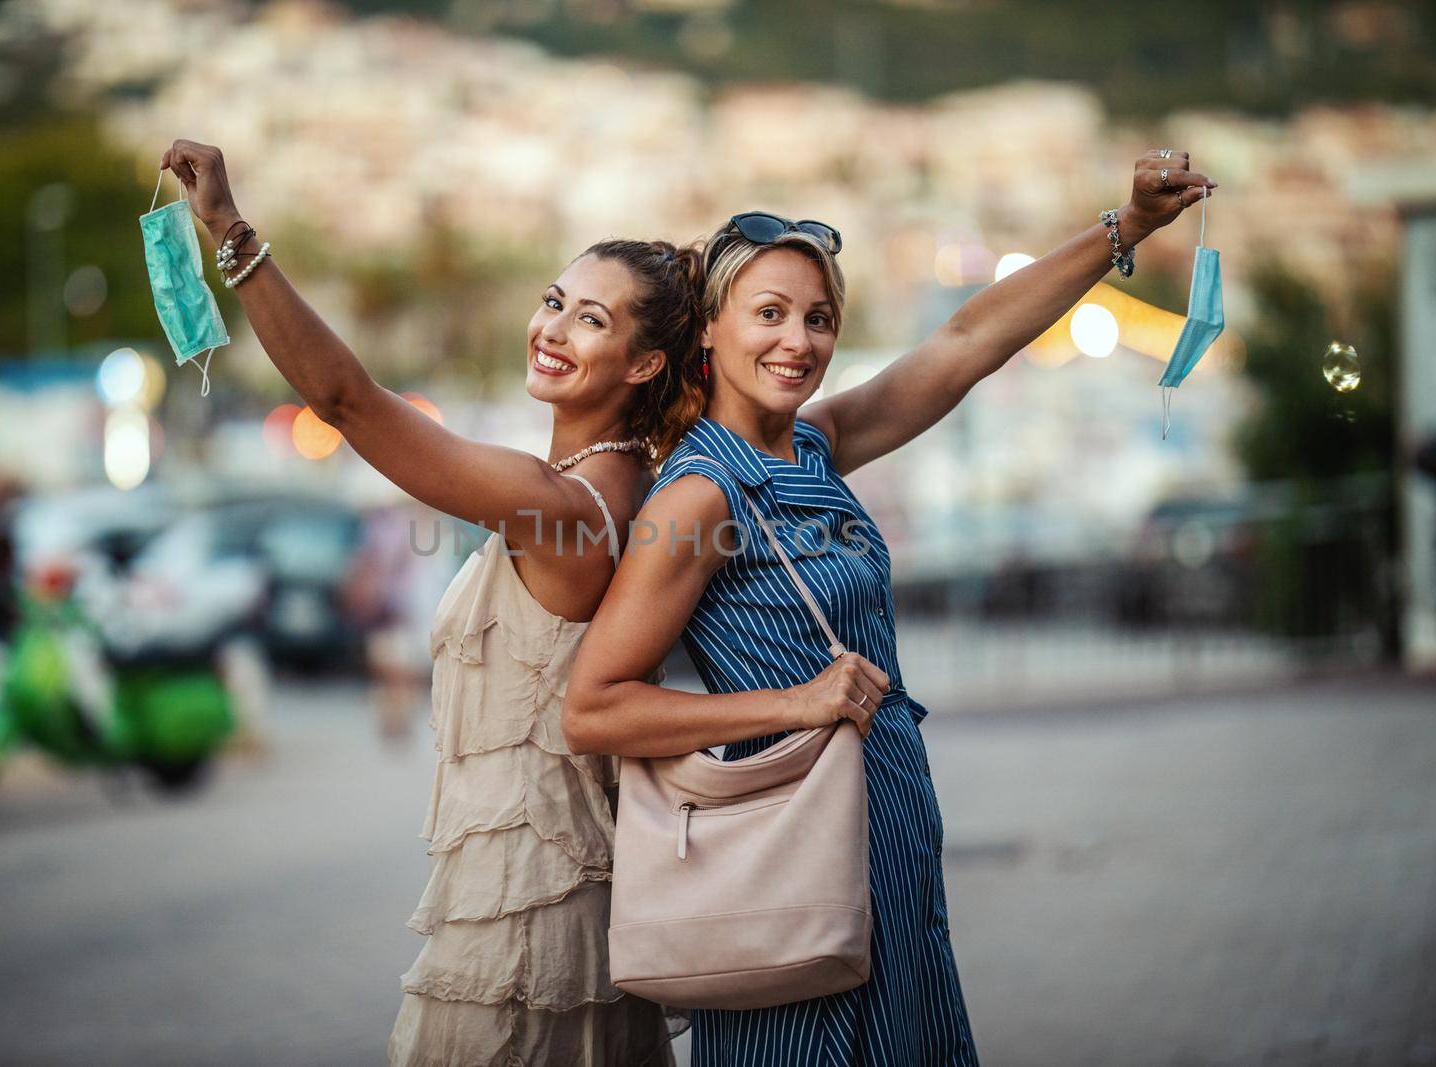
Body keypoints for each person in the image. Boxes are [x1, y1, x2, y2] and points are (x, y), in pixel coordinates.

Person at [563, 151, 1219, 1064]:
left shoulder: (814, 446)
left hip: (885, 842)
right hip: (794, 859)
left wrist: (1129, 226)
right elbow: (594, 706)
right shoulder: (700, 497)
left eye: (819, 318)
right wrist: (796, 702)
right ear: (707, 331)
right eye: (770, 314)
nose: (799, 341)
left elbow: (965, 344)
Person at [158, 139, 699, 1065]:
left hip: (528, 922)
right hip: (543, 900)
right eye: (553, 301)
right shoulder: (611, 483)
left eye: (591, 321)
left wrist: (230, 233)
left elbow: (348, 401)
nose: (554, 329)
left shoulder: (568, 504)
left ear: (644, 365)